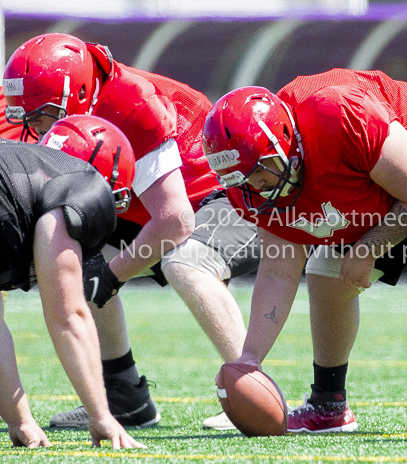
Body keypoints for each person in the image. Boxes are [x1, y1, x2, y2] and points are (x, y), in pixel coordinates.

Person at [204, 69, 407, 435]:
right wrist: (250, 359)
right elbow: (278, 270)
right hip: (394, 184)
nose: (257, 187)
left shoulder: (336, 113)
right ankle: (328, 403)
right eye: (242, 179)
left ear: (285, 142)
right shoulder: (252, 189)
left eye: (262, 170)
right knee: (325, 270)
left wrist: (368, 248)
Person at [3, 33, 259, 430]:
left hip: (220, 194)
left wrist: (112, 275)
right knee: (77, 254)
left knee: (186, 262)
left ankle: (253, 388)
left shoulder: (131, 101)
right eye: (27, 115)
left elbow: (175, 219)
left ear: (82, 93)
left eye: (43, 113)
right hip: (138, 204)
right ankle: (125, 395)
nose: (34, 127)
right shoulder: (42, 107)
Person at [0, 114, 144, 449]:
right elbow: (68, 315)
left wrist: (19, 419)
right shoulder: (83, 188)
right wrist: (101, 415)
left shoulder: (20, 180)